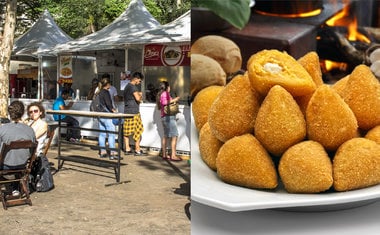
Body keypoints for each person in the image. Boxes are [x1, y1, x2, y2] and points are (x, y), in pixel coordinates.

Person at [0, 101, 36, 197]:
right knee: (15, 156)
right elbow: (32, 151)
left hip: (5, 165)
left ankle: (14, 187)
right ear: (23, 113)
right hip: (22, 164)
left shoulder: (3, 129)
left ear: (9, 113)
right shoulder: (30, 130)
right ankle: (15, 188)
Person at [96, 77, 121, 160]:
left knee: (102, 134)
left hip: (100, 115)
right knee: (111, 134)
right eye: (109, 83)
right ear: (107, 84)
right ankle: (113, 153)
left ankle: (102, 152)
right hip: (107, 115)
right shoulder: (106, 92)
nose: (110, 85)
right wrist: (114, 111)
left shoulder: (99, 92)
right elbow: (109, 104)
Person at [157, 81, 182, 161]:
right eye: (169, 86)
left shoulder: (160, 94)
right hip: (169, 117)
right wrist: (175, 99)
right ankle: (173, 155)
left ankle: (164, 154)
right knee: (174, 135)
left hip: (164, 117)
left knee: (166, 136)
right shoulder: (165, 93)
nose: (170, 88)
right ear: (167, 87)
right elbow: (165, 103)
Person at [123, 71, 146, 156]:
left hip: (127, 111)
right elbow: (138, 99)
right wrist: (140, 95)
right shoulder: (133, 87)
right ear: (136, 79)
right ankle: (137, 149)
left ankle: (127, 148)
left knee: (126, 132)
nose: (139, 83)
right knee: (138, 130)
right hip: (134, 112)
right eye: (139, 81)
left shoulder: (126, 87)